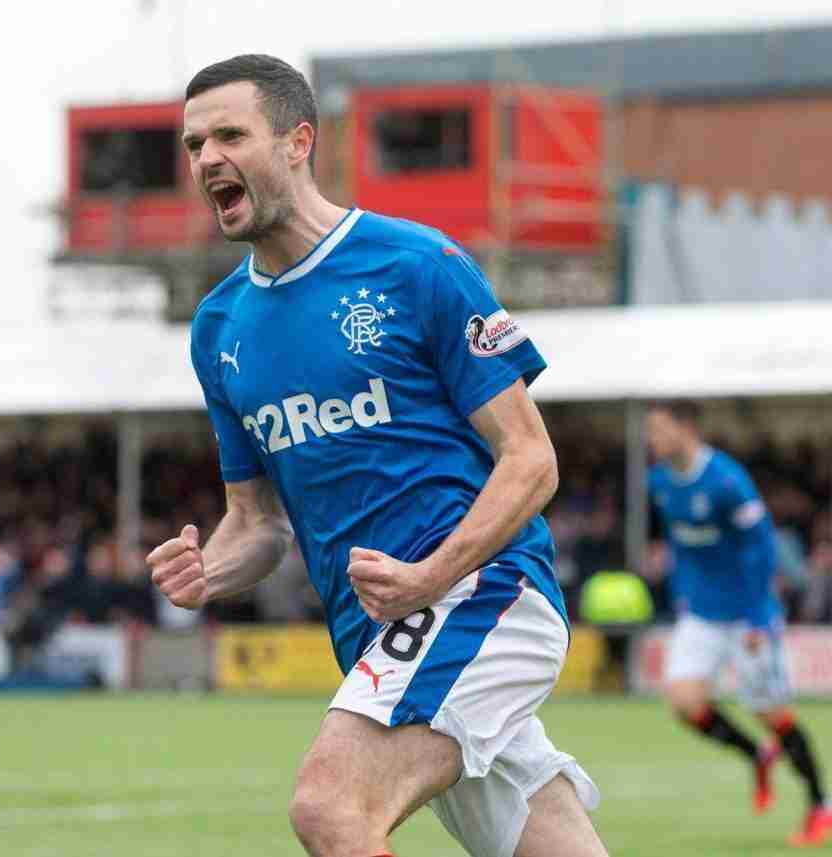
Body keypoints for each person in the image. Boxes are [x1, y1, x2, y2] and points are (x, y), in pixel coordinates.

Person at [148, 54, 606, 857]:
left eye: (228, 134)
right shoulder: (218, 328)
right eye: (193, 145)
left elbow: (532, 460)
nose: (205, 159)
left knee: (329, 807)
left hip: (479, 596)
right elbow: (257, 523)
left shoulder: (416, 265)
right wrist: (209, 570)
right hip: (382, 631)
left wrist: (433, 574)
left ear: (298, 142)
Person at [646, 400, 832, 846]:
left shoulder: (727, 481)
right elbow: (682, 544)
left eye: (659, 429)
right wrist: (684, 594)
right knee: (684, 701)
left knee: (772, 714)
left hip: (748, 615)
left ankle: (820, 805)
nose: (652, 440)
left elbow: (762, 549)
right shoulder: (658, 482)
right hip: (703, 614)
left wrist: (756, 617)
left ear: (686, 429)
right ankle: (757, 757)